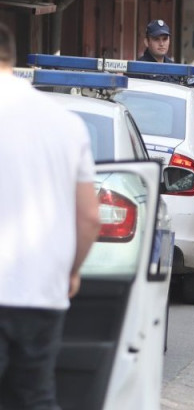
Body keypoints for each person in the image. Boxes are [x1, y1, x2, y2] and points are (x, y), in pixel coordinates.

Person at [0, 21, 101, 408]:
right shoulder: (65, 123)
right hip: (42, 290)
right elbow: (90, 218)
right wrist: (71, 270)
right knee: (35, 395)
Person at [138, 19, 180, 83]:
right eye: (156, 39)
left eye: (165, 39)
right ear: (146, 42)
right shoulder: (137, 69)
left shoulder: (174, 67)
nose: (161, 44)